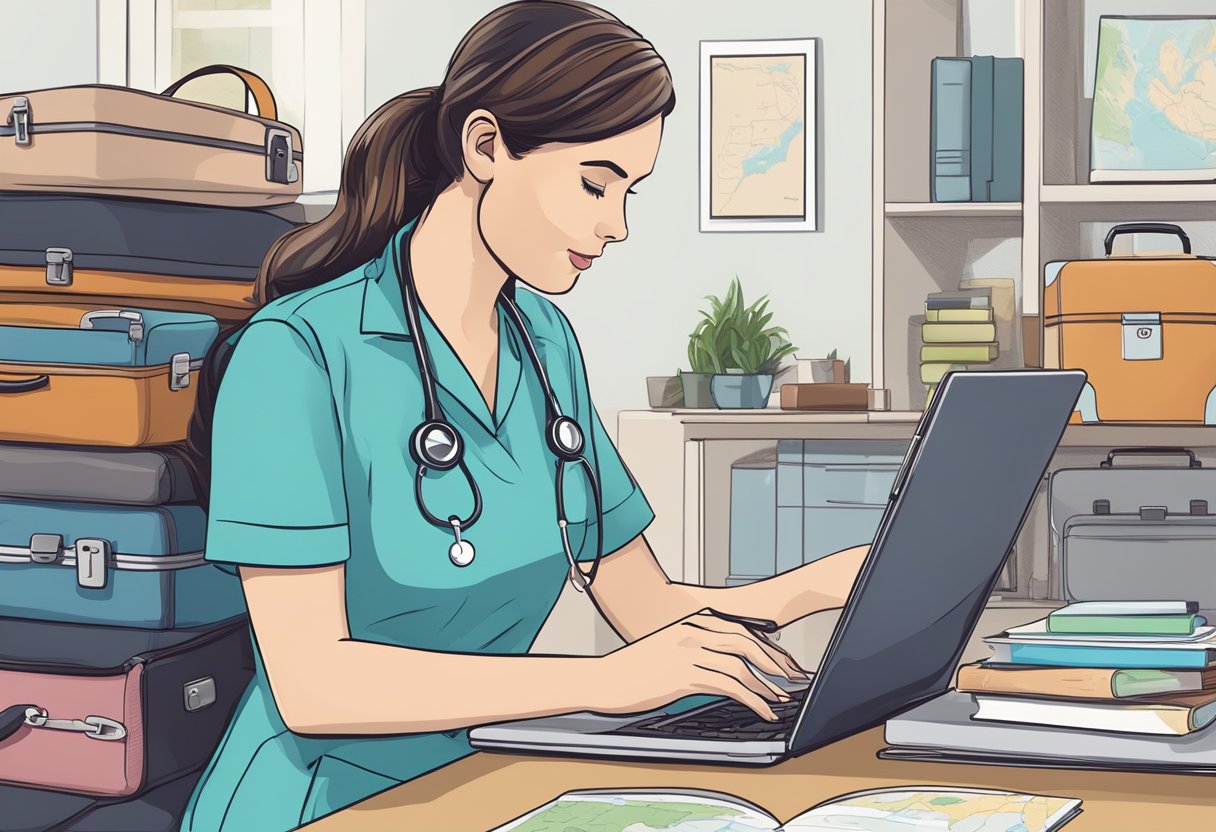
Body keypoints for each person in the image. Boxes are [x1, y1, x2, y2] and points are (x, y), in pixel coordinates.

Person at [178, 2, 868, 829]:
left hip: (479, 782)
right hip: (318, 803)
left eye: (630, 191)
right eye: (593, 182)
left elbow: (643, 608)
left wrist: (820, 588)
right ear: (484, 147)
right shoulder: (295, 355)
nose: (615, 226)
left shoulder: (542, 340)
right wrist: (603, 682)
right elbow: (313, 685)